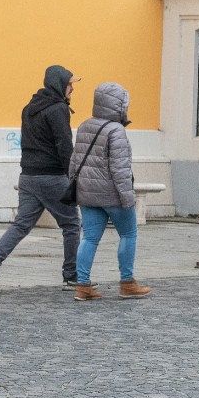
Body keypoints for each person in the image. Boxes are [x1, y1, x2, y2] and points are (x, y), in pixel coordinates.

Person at [0, 65, 82, 294]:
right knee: (72, 224)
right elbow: (64, 145)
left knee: (21, 225)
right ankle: (72, 276)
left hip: (28, 177)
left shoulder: (30, 107)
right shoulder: (58, 109)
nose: (72, 89)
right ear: (59, 84)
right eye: (69, 84)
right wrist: (72, 176)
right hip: (52, 177)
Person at [69, 82, 149, 300]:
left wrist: (76, 188)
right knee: (128, 234)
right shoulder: (116, 130)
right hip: (112, 195)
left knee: (89, 238)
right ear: (118, 106)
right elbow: (120, 169)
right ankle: (127, 283)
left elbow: (74, 162)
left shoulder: (84, 126)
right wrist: (128, 198)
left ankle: (82, 286)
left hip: (87, 194)